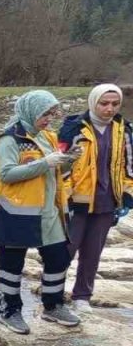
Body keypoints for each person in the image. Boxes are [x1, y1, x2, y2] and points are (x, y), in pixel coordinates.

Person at [0, 90, 80, 333]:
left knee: (59, 258)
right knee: (11, 263)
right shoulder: (9, 140)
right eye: (45, 113)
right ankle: (10, 311)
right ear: (30, 111)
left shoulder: (48, 136)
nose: (49, 118)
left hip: (49, 210)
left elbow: (55, 171)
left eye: (52, 113)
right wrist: (45, 163)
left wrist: (68, 160)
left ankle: (53, 306)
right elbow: (6, 174)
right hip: (17, 211)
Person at [57, 83, 133, 312]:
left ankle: (82, 296)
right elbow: (62, 166)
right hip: (76, 200)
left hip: (107, 200)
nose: (109, 109)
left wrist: (128, 196)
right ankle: (53, 293)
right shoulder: (73, 129)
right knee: (65, 250)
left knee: (93, 252)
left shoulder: (124, 130)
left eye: (115, 104)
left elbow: (129, 166)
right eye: (104, 103)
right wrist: (65, 197)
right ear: (93, 103)